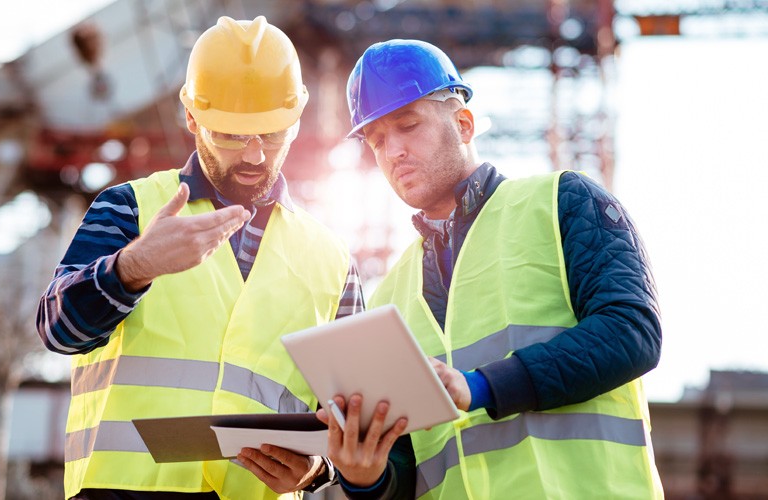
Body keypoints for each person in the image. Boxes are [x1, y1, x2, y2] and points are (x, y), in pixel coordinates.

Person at [36, 16, 364, 500]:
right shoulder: (129, 208)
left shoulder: (333, 260)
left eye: (273, 135)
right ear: (192, 119)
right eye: (231, 136)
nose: (255, 156)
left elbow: (351, 417)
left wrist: (318, 471)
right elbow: (58, 330)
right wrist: (133, 268)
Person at [322, 39, 665, 499]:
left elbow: (631, 332)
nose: (393, 152)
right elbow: (405, 469)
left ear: (463, 124)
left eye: (408, 126)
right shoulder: (387, 298)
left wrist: (481, 387)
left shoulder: (562, 202)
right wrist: (365, 478)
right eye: (378, 140)